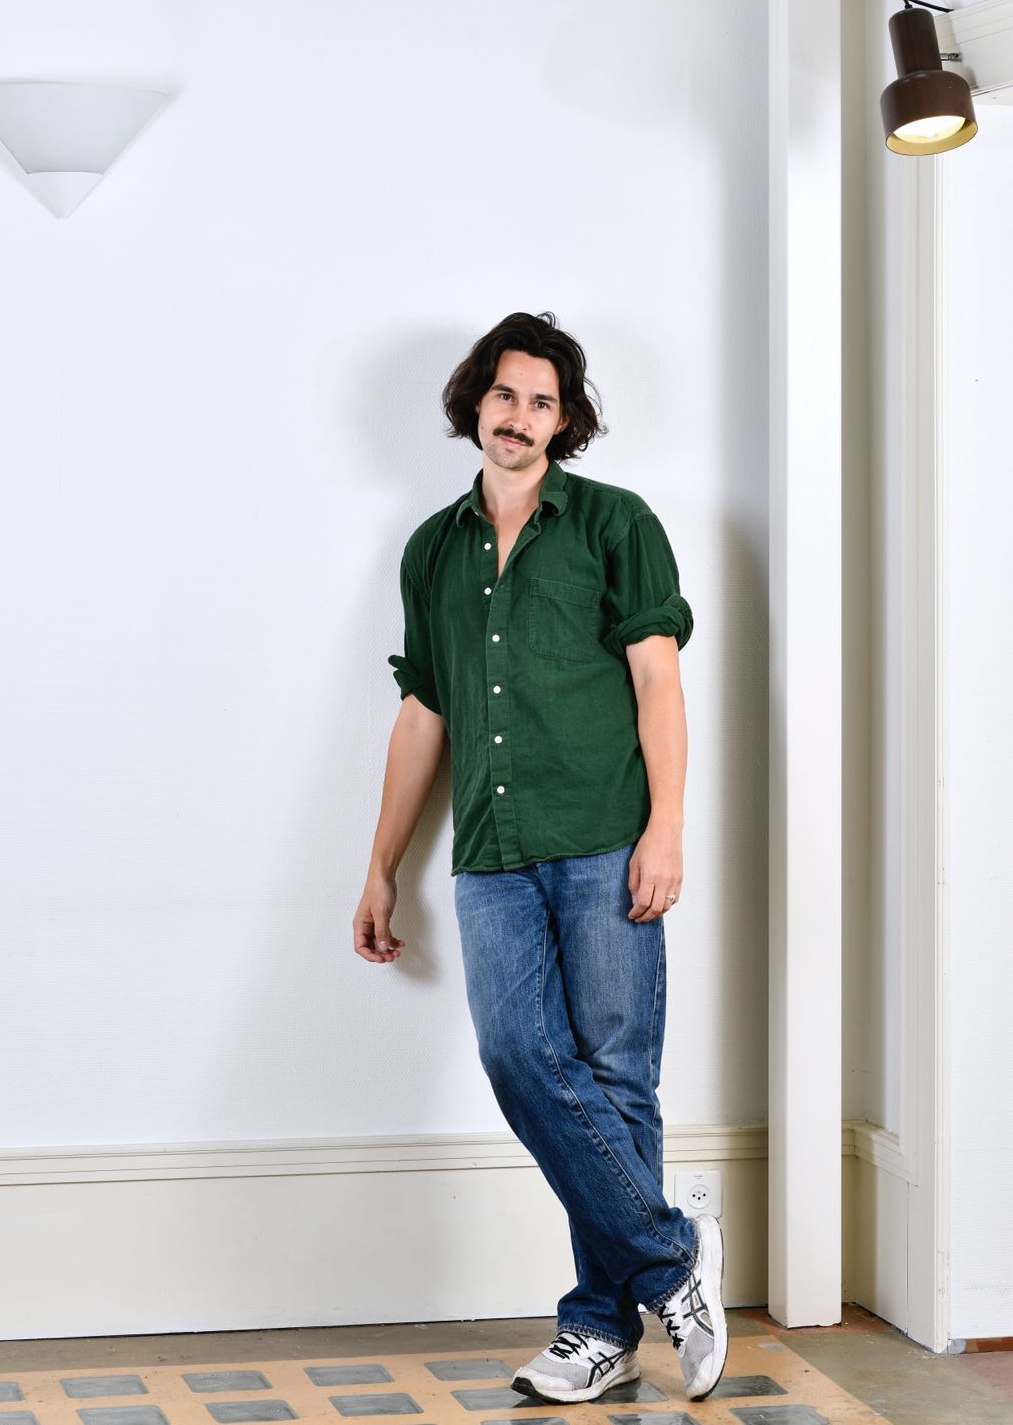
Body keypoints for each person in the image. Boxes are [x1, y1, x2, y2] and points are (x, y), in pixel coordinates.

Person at [352, 311, 727, 1405]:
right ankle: (674, 1259)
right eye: (505, 395)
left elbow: (657, 679)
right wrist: (380, 864)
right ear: (476, 401)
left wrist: (666, 826)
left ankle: (597, 1330)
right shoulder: (431, 549)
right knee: (519, 1053)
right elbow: (423, 712)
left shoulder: (615, 522)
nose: (518, 417)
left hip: (606, 835)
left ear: (565, 422)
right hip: (492, 848)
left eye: (541, 402)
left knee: (615, 1079)